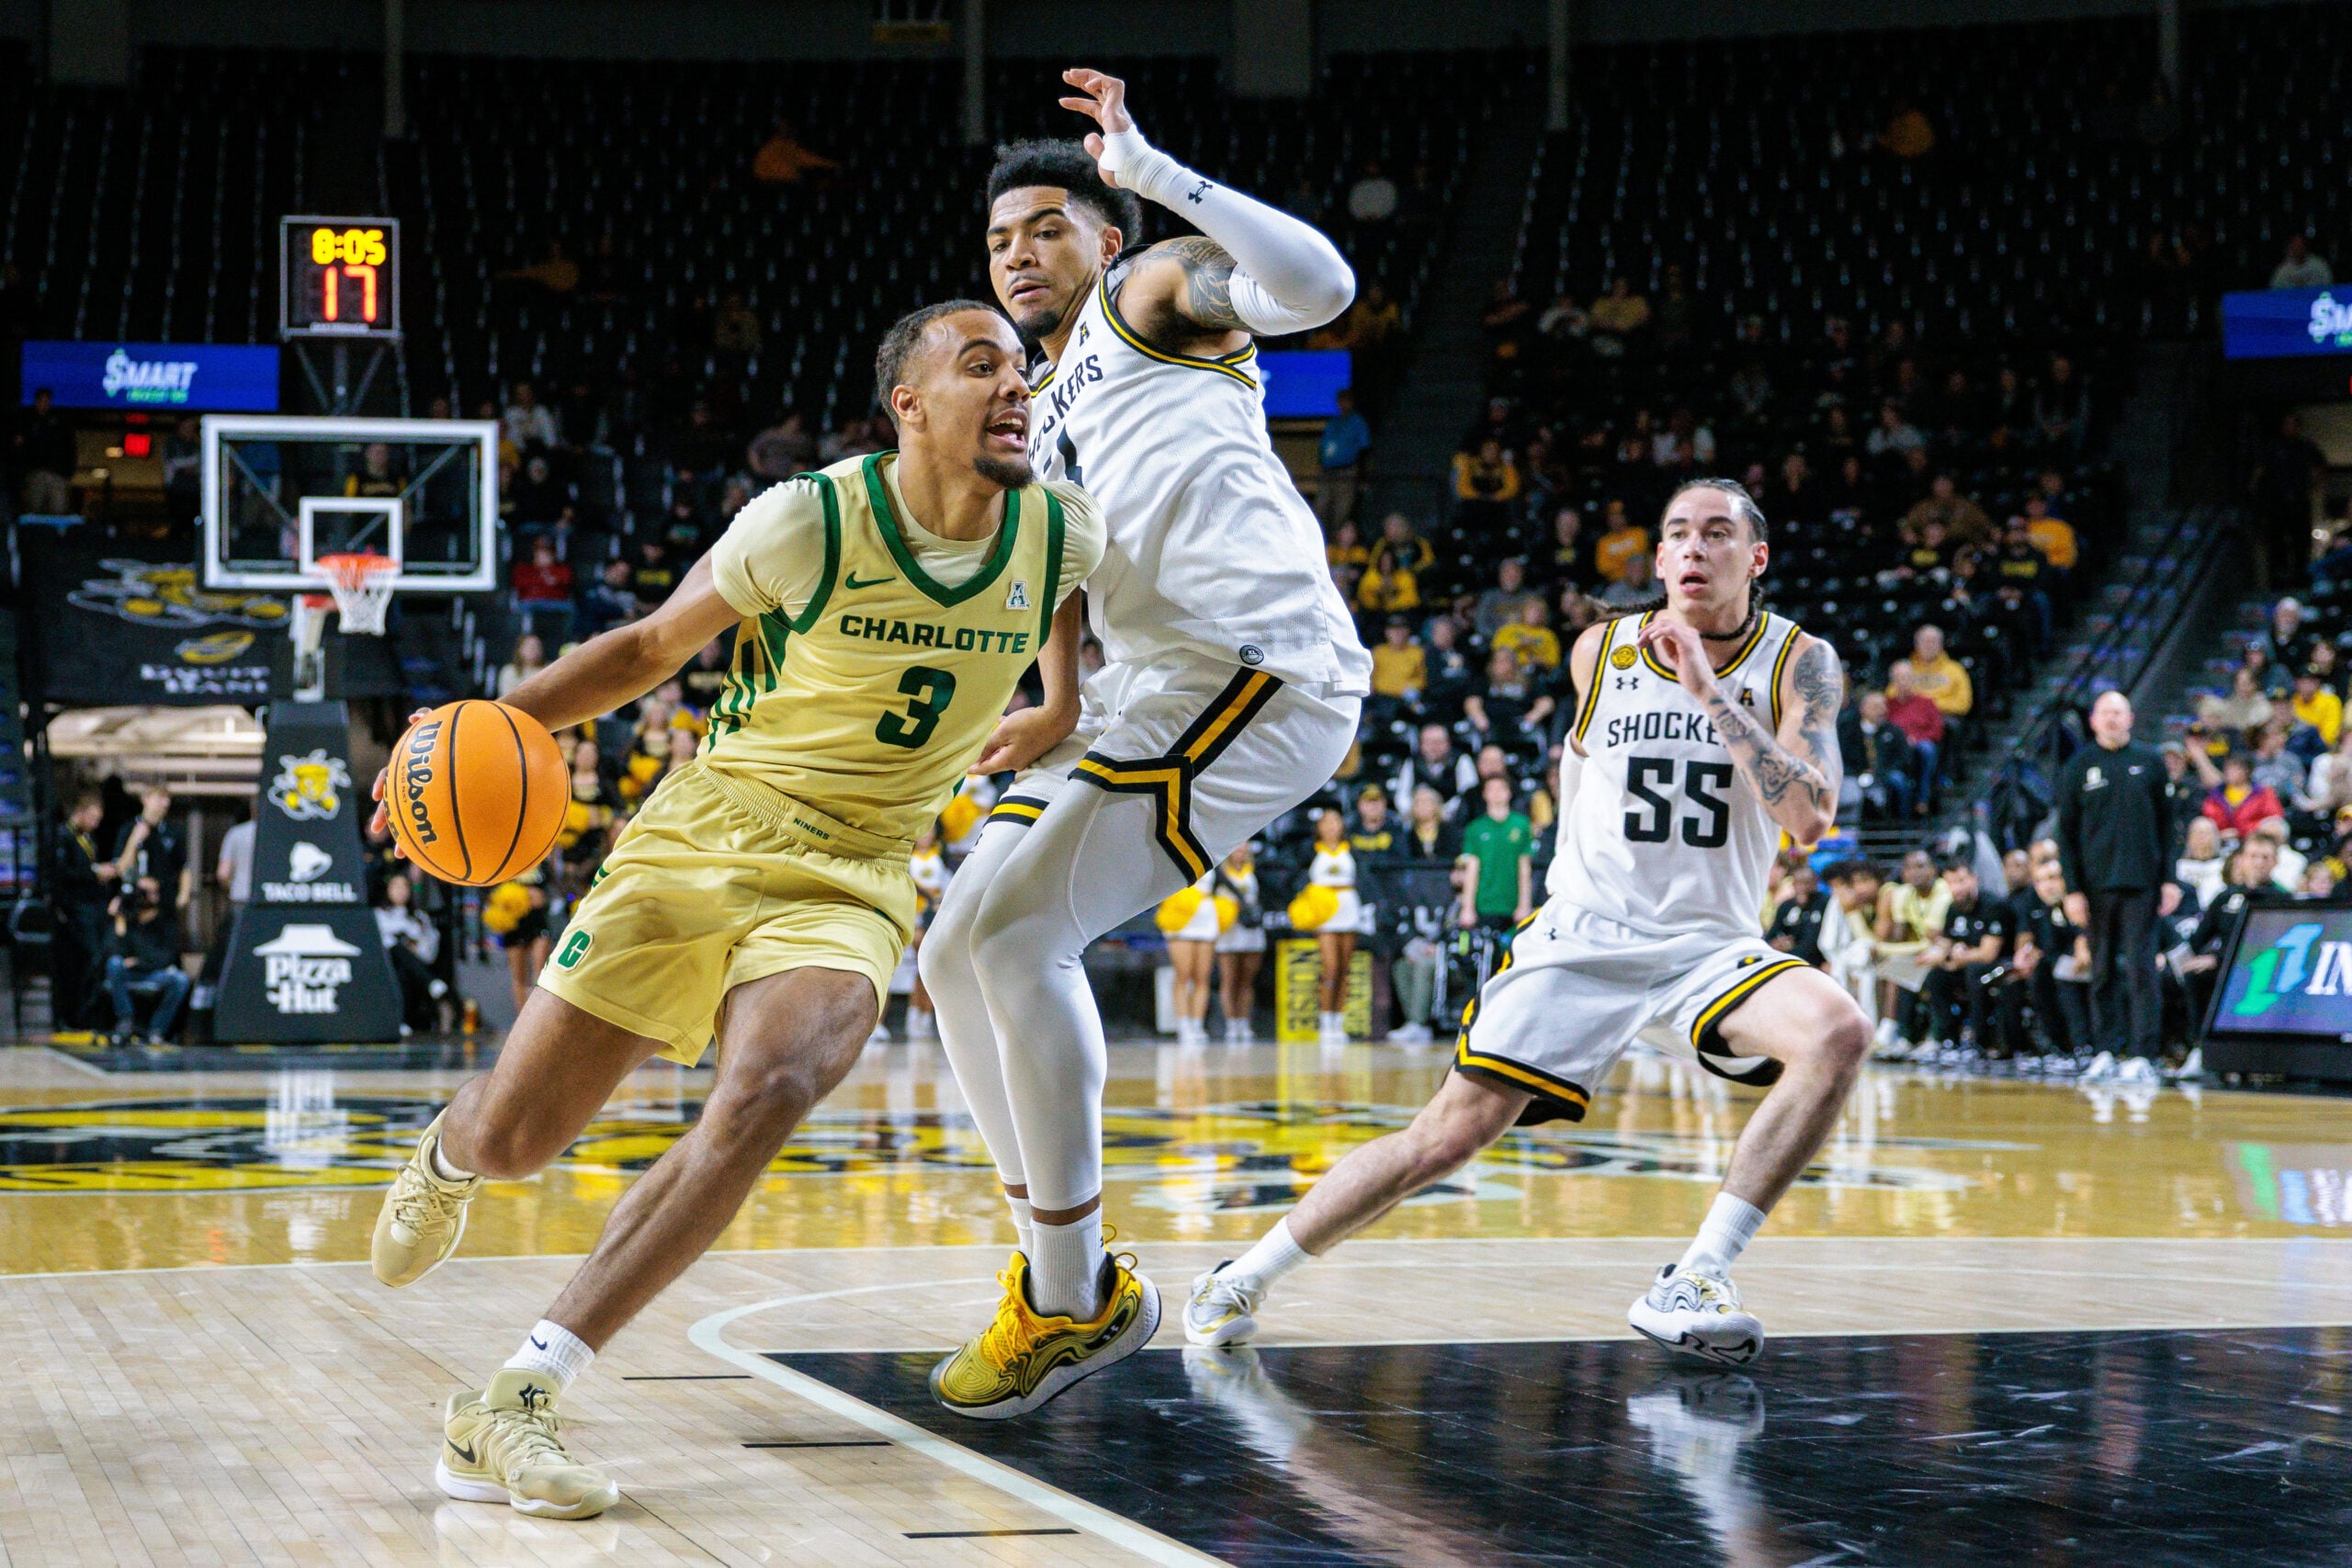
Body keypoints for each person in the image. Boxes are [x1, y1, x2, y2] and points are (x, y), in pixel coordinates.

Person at [362, 299, 1103, 1518]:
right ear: (908, 406)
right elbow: (650, 646)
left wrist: (1063, 699)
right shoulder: (810, 521)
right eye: (981, 366)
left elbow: (1061, 595)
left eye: (1022, 367)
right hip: (706, 832)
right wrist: (465, 736)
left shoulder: (1063, 526)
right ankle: (451, 1150)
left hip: (857, 868)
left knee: (770, 1085)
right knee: (516, 1139)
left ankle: (517, 1393)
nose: (1017, 385)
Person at [919, 76, 1366, 1419]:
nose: (1017, 256)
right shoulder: (1035, 402)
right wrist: (1055, 699)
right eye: (1000, 241)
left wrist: (1158, 170)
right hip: (1146, 685)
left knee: (1013, 943)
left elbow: (1323, 285)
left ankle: (1069, 1296)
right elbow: (1058, 560)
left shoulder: (1154, 294)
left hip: (1257, 663)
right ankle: (1064, 1275)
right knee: (951, 954)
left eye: (1045, 227)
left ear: (1103, 240)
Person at [1186, 479, 1860, 1367]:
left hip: (1710, 947)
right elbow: (1581, 771)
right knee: (1447, 1136)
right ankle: (1241, 1274)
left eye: (1718, 534)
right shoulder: (1600, 651)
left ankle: (1696, 1274)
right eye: (1678, 535)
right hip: (1583, 937)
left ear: (1755, 557)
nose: (1695, 549)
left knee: (1838, 1030)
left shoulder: (1800, 661)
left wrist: (1706, 689)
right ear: (1657, 560)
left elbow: (1813, 817)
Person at [2052, 691, 2174, 1073]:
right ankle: (2105, 1050)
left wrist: (2170, 880)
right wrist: (2072, 890)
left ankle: (2143, 1054)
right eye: (2105, 713)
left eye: (2118, 713)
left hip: (2143, 884)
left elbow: (2169, 827)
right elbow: (2066, 835)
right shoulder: (2078, 766)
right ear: (2093, 720)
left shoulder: (2151, 762)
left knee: (2141, 968)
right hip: (2095, 887)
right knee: (2101, 969)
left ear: (2130, 718)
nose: (2111, 719)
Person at [1917, 858, 2018, 1057]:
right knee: (1936, 976)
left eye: (1961, 881)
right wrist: (1935, 954)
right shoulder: (1953, 908)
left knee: (1976, 974)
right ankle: (1946, 1039)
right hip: (1965, 965)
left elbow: (1989, 953)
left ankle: (1978, 1041)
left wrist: (1960, 956)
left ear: (1974, 879)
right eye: (1951, 883)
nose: (1957, 888)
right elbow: (1947, 941)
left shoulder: (1993, 905)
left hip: (1999, 967)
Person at [101, 875, 189, 1044]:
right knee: (114, 964)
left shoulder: (165, 920)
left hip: (153, 973)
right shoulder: (127, 918)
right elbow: (110, 951)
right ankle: (125, 1019)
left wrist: (140, 962)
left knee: (180, 980)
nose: (149, 896)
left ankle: (157, 1029)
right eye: (144, 892)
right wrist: (118, 919)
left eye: (153, 892)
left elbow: (166, 956)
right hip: (127, 974)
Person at [1298, 808, 1361, 1045]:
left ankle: (1339, 1020)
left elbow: (1362, 877)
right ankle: (1325, 1020)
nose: (1333, 826)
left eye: (1337, 821)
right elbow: (1296, 876)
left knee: (1345, 968)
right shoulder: (1309, 850)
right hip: (1325, 912)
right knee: (1330, 968)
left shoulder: (1351, 849)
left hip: (1348, 907)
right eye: (1327, 822)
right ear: (1319, 827)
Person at [375, 873, 447, 1035]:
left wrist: (415, 947)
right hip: (385, 966)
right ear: (388, 889)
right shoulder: (378, 914)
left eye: (404, 886)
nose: (400, 891)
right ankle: (431, 982)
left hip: (412, 968)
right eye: (396, 886)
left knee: (404, 971)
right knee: (396, 948)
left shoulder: (419, 917)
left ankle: (403, 1021)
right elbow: (380, 944)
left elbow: (429, 951)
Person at [1211, 843, 1264, 1043]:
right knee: (1229, 979)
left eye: (1244, 850)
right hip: (1230, 930)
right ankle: (1231, 1023)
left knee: (1246, 980)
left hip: (1250, 930)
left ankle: (1244, 1021)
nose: (1240, 853)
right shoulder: (1221, 874)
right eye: (1237, 849)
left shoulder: (1254, 871)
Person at [1316, 387, 1370, 529]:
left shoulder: (1357, 423)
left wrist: (1362, 475)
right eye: (1340, 401)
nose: (1342, 405)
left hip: (1346, 473)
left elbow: (1364, 448)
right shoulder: (1333, 423)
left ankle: (1338, 547)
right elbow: (1323, 447)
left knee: (1341, 512)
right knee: (1321, 509)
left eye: (1345, 401)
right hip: (1328, 473)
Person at [1765, 861, 1831, 967]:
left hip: (1815, 962)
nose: (1802, 888)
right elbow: (1771, 936)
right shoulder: (1786, 906)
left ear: (1815, 883)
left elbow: (1813, 942)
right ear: (1793, 884)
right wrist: (1775, 945)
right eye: (1798, 883)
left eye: (1806, 883)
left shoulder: (1825, 903)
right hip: (1786, 961)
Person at [2270, 235, 2334, 290]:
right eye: (2295, 246)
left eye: (2300, 246)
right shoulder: (2283, 270)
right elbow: (2275, 289)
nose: (2298, 249)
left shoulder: (2318, 265)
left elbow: (2328, 284)